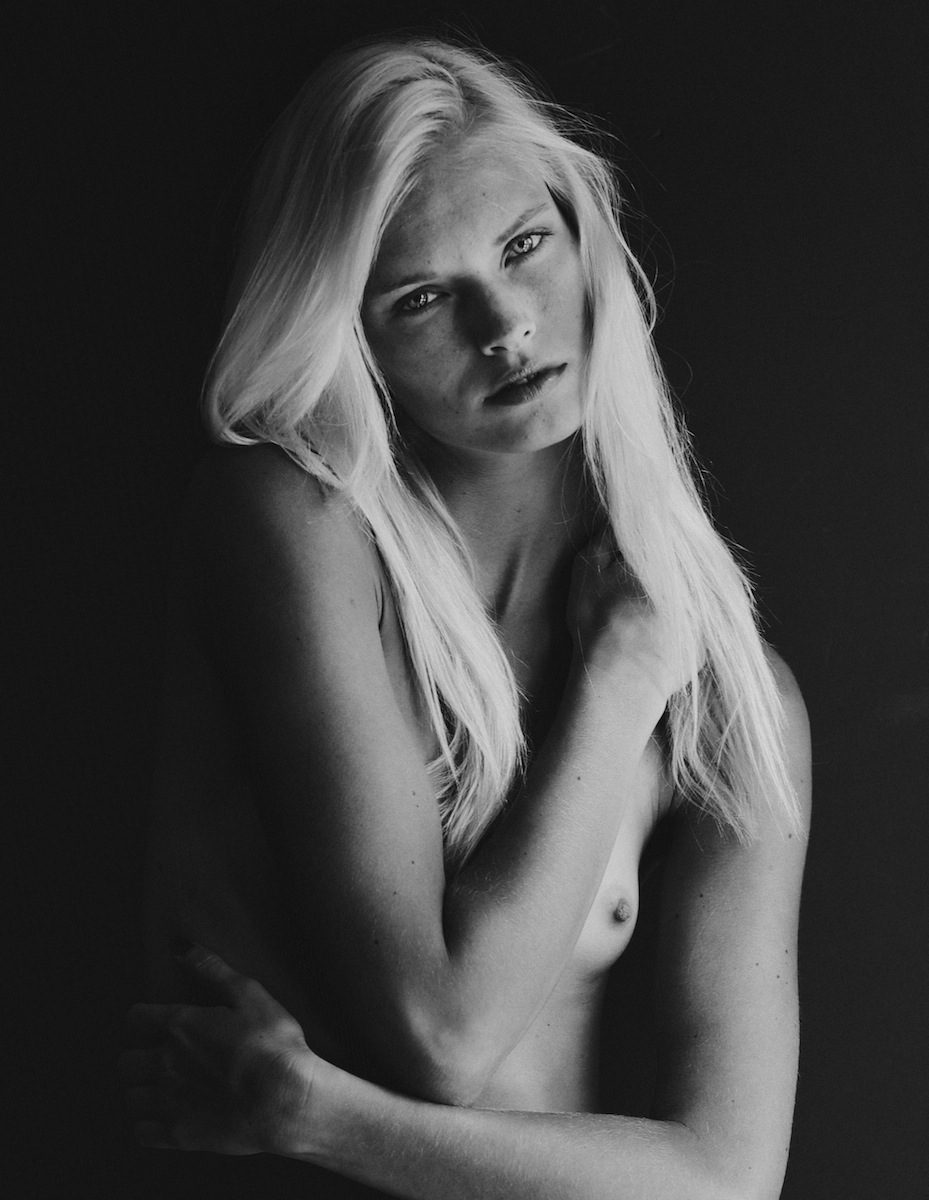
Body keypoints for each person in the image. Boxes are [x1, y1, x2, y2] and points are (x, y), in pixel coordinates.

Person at [122, 34, 811, 1199]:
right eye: (422, 298)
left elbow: (725, 1180)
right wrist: (613, 684)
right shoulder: (286, 524)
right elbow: (438, 1034)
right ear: (349, 334)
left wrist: (316, 1116)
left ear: (588, 240)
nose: (504, 327)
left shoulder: (729, 699)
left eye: (524, 246)